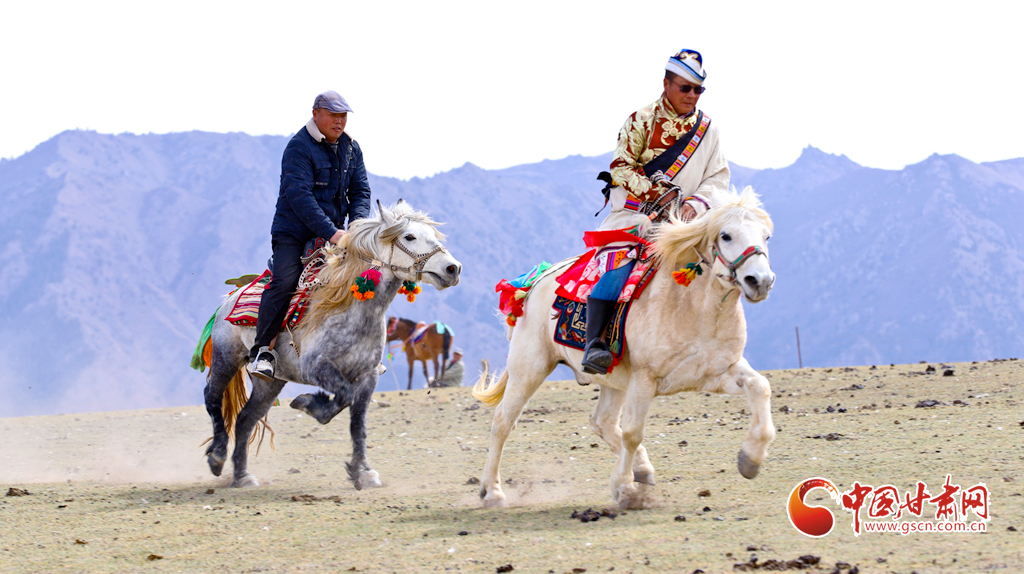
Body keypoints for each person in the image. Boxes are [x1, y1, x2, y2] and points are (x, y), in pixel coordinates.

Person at [580, 49, 729, 375]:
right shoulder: (639, 121)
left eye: (698, 89)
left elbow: (717, 178)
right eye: (685, 88)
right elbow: (620, 169)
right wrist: (654, 193)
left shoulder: (709, 130)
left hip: (686, 219)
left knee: (722, 263)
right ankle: (595, 343)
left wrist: (695, 203)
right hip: (636, 215)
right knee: (619, 267)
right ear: (666, 84)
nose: (692, 95)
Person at [249, 91, 372, 381]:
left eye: (343, 116)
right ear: (316, 113)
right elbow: (300, 196)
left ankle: (360, 350)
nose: (339, 121)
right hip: (293, 233)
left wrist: (355, 227)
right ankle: (262, 352)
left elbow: (360, 191)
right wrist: (333, 233)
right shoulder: (298, 148)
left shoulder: (351, 148)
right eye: (333, 114)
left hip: (337, 234)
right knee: (285, 281)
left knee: (364, 277)